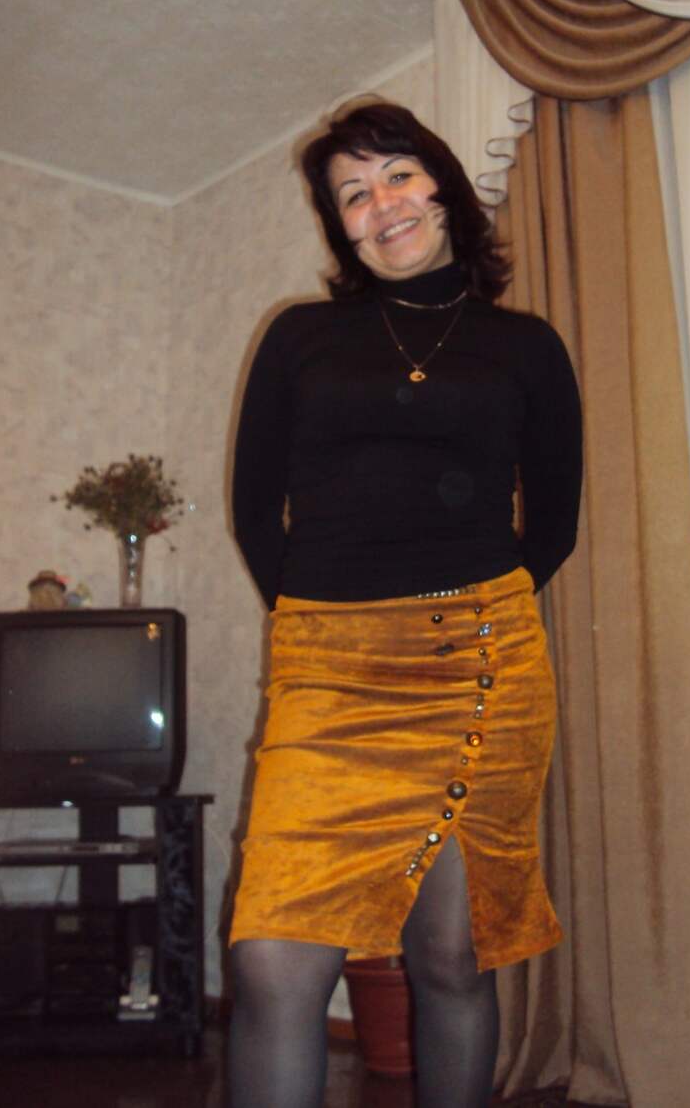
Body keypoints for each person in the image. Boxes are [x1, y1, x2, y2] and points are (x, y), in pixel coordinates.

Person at [227, 99, 582, 1108]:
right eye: (352, 193)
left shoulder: (526, 346)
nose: (380, 203)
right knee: (271, 961)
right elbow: (255, 509)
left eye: (397, 175)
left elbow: (552, 524)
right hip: (327, 675)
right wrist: (325, 620)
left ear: (441, 187)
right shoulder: (299, 336)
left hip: (478, 666)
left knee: (451, 956)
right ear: (340, 227)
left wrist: (467, 610)